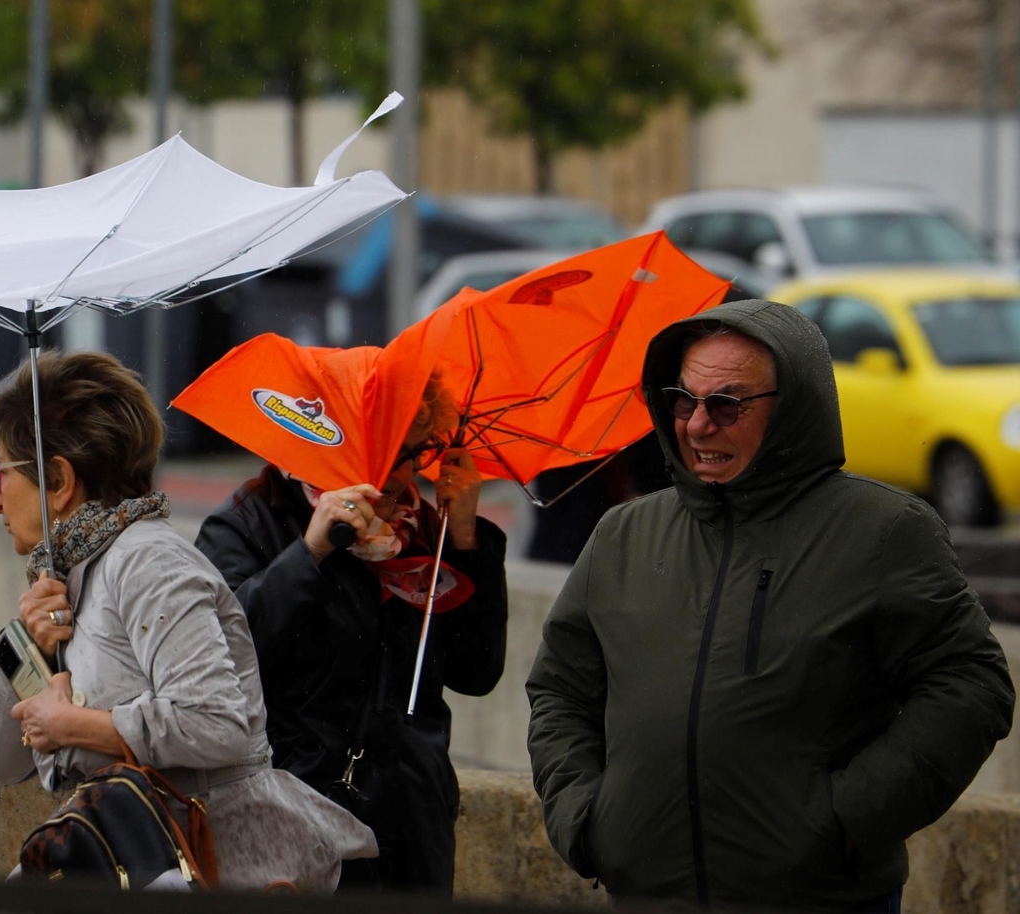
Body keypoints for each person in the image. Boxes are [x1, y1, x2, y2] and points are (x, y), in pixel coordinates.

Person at [526, 300, 1015, 911]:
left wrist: (844, 821)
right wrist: (585, 818)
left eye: (727, 404)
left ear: (791, 410)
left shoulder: (884, 531)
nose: (699, 425)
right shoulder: (623, 535)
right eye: (684, 399)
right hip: (649, 894)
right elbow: (560, 689)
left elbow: (970, 687)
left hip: (822, 898)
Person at [0, 350, 377, 891]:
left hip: (217, 869)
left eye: (1, 474)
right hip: (138, 859)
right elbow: (4, 764)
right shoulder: (66, 577)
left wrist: (80, 725)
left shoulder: (147, 561)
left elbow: (218, 723)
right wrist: (25, 642)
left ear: (59, 480)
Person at [195, 374, 509, 893]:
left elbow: (476, 671)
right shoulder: (257, 518)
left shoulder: (430, 530)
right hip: (293, 812)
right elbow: (221, 656)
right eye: (377, 458)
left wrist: (467, 537)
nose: (393, 478)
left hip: (410, 820)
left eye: (411, 455)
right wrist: (311, 552)